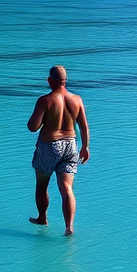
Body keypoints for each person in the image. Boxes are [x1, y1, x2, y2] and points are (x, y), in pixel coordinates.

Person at [27, 65, 89, 236]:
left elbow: (33, 127)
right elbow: (83, 126)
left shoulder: (45, 100)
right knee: (67, 188)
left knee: (42, 185)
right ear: (65, 80)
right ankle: (69, 226)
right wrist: (85, 147)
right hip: (71, 145)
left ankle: (42, 218)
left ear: (49, 80)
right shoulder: (77, 99)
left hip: (50, 145)